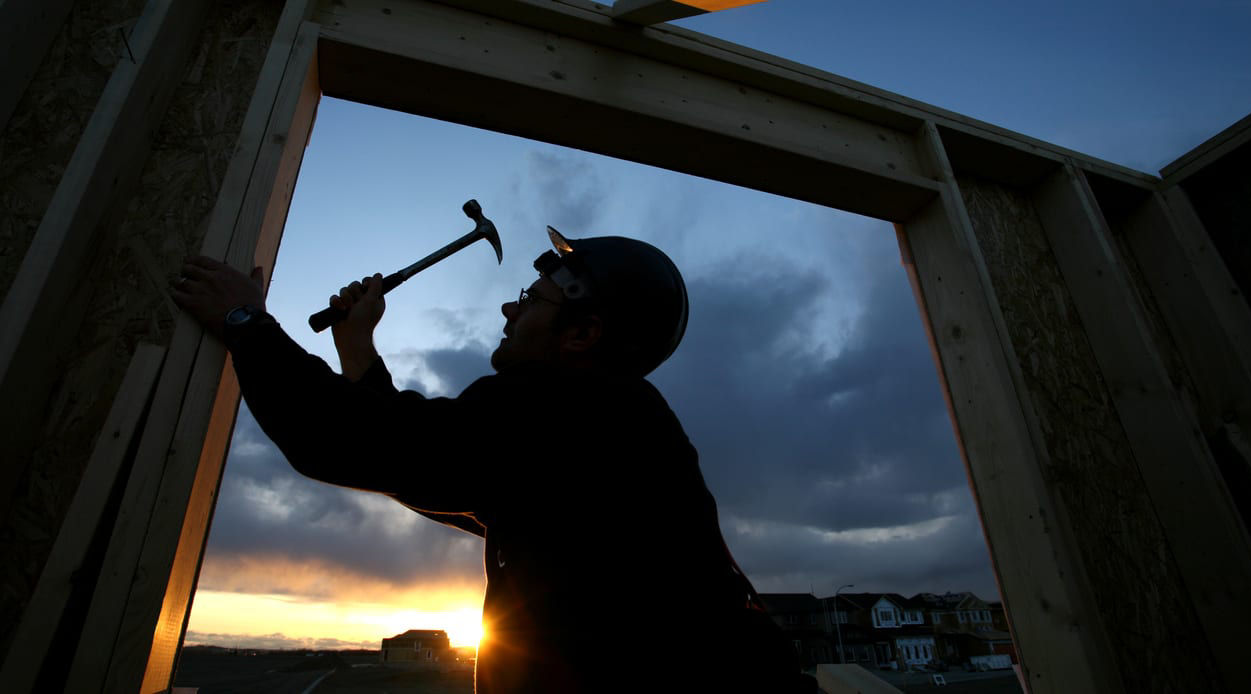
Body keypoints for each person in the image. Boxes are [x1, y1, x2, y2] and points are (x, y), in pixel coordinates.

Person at [173, 226, 817, 694]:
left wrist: (243, 319)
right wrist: (359, 346)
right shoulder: (603, 426)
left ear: (583, 333)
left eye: (533, 299)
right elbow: (432, 467)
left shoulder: (569, 404)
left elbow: (363, 442)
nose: (511, 307)